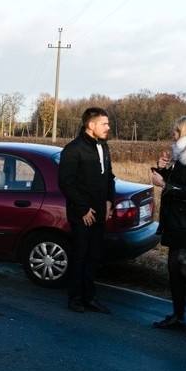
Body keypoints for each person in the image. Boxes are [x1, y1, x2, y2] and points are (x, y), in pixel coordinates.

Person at [150, 115, 186, 336]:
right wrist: (162, 170)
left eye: (175, 132)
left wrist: (164, 183)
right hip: (177, 221)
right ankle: (179, 316)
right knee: (174, 267)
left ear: (184, 132)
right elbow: (181, 182)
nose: (173, 136)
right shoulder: (184, 153)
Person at [58, 107, 115, 314]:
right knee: (80, 256)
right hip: (82, 213)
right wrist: (83, 209)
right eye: (104, 123)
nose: (108, 127)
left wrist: (110, 200)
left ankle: (90, 297)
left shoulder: (104, 147)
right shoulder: (73, 149)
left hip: (100, 212)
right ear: (91, 125)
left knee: (94, 256)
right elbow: (66, 183)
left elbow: (109, 176)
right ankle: (75, 297)